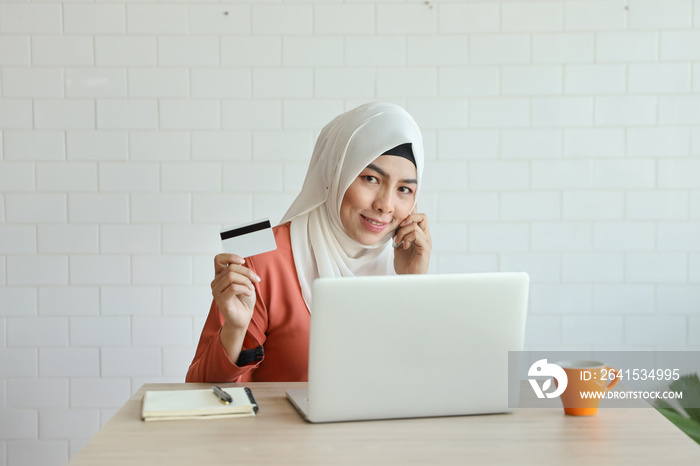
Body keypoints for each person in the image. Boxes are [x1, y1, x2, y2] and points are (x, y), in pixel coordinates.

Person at [186, 102, 432, 383]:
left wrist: (415, 285)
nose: (386, 205)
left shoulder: (404, 260)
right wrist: (234, 331)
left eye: (404, 189)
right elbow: (199, 390)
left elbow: (418, 381)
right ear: (335, 174)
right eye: (371, 179)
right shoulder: (256, 251)